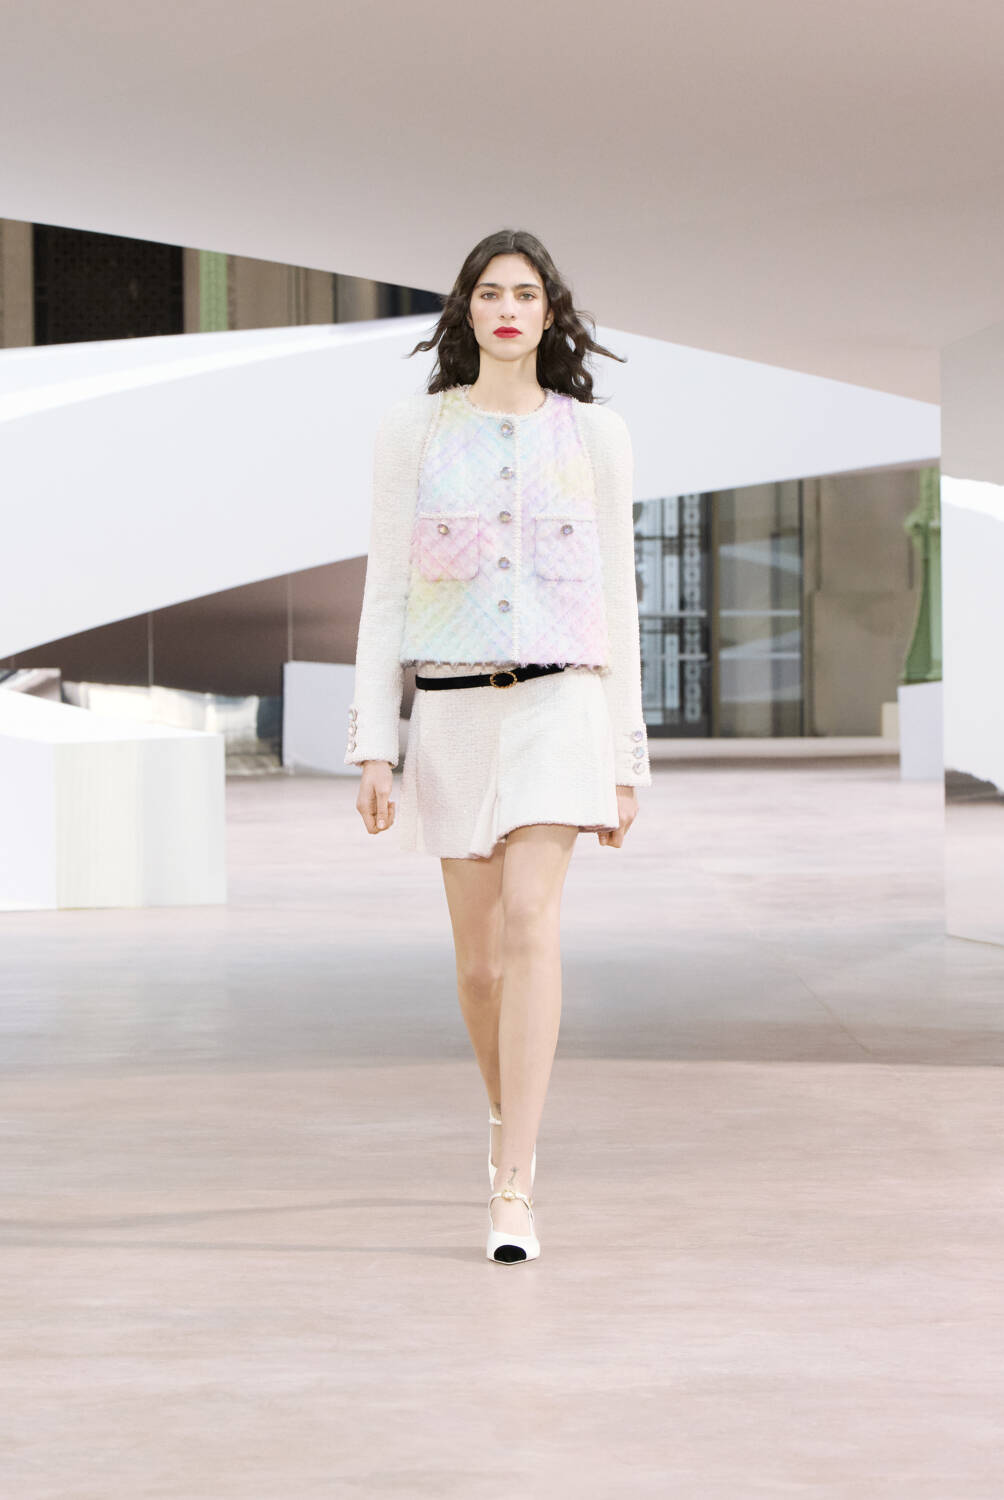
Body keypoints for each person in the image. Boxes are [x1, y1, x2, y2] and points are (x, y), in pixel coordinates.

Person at [344, 228, 652, 1264]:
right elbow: (385, 591)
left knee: (531, 924)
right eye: (489, 293)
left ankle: (514, 1184)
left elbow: (619, 601)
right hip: (453, 713)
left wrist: (625, 759)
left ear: (549, 312)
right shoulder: (415, 430)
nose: (507, 309)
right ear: (465, 311)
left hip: (562, 704)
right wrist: (373, 743)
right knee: (479, 969)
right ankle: (502, 1115)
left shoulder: (595, 436)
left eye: (524, 293)